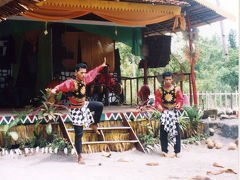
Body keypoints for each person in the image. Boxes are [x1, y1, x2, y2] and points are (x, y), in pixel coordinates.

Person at [46, 58, 106, 164]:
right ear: (76, 72)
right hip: (75, 110)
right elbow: (61, 86)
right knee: (79, 134)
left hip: (84, 105)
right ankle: (80, 156)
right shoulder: (71, 83)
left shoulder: (85, 79)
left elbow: (92, 73)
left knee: (99, 105)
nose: (83, 75)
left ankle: (94, 124)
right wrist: (54, 90)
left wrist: (100, 66)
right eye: (81, 73)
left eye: (84, 73)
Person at [154, 71, 184, 158]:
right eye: (166, 79)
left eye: (169, 79)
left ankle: (177, 151)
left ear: (172, 79)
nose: (168, 81)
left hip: (173, 112)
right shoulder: (159, 90)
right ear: (163, 80)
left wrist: (178, 104)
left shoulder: (177, 89)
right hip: (164, 112)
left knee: (176, 132)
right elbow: (157, 101)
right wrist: (158, 106)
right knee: (163, 132)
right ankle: (164, 150)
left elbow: (180, 99)